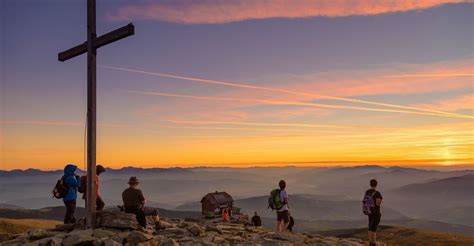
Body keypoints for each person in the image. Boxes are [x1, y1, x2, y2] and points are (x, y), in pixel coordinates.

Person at [365, 179, 383, 246]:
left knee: (370, 226)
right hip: (376, 213)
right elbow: (378, 203)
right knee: (374, 228)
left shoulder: (367, 192)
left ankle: (370, 242)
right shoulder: (377, 193)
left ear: (370, 184)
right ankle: (374, 243)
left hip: (369, 212)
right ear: (376, 184)